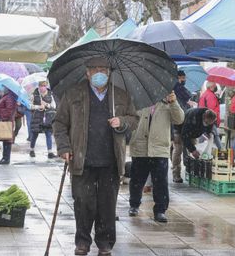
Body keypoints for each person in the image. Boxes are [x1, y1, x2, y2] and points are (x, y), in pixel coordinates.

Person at [53, 57, 138, 256]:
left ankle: (105, 242)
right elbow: (59, 124)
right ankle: (82, 241)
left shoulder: (121, 96)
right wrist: (64, 147)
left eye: (103, 69)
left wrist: (122, 121)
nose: (99, 72)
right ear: (87, 73)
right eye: (95, 69)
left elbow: (134, 119)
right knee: (83, 202)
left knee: (107, 204)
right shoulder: (73, 93)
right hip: (81, 159)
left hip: (110, 160)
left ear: (109, 73)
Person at [128, 91, 184, 222]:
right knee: (137, 179)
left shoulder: (167, 102)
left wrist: (174, 102)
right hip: (140, 147)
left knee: (160, 182)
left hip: (159, 148)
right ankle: (134, 204)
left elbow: (179, 119)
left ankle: (160, 210)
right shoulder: (137, 98)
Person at [172, 108, 217, 181]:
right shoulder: (193, 117)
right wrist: (192, 150)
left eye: (210, 123)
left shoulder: (210, 118)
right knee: (178, 150)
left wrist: (209, 133)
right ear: (204, 117)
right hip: (180, 130)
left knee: (196, 154)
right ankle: (176, 175)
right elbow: (184, 135)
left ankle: (192, 173)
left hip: (194, 133)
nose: (208, 124)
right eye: (207, 122)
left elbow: (209, 127)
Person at [29, 81, 57, 159]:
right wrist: (38, 107)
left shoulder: (50, 94)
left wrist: (46, 105)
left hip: (47, 117)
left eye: (44, 85)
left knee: (48, 133)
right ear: (38, 86)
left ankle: (50, 152)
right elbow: (29, 106)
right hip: (37, 117)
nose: (43, 87)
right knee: (35, 134)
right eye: (41, 85)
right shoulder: (34, 94)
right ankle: (31, 150)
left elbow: (54, 106)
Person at [0, 89, 18, 164]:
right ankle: (4, 158)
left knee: (7, 141)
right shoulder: (7, 96)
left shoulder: (9, 97)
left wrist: (0, 114)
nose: (3, 88)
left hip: (7, 120)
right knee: (5, 140)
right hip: (6, 120)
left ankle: (6, 159)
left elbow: (9, 110)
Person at [198, 81, 222, 150]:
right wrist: (215, 119)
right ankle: (221, 151)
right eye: (215, 86)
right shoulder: (210, 95)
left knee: (203, 135)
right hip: (210, 119)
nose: (215, 87)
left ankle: (197, 149)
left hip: (204, 118)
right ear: (211, 87)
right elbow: (212, 110)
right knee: (215, 135)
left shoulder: (205, 94)